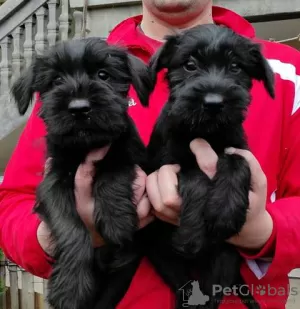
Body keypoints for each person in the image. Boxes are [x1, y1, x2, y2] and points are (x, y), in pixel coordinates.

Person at [0, 0, 300, 308]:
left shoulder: (291, 72)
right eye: (191, 66)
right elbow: (12, 203)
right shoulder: (70, 81)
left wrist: (264, 231)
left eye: (234, 69)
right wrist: (59, 237)